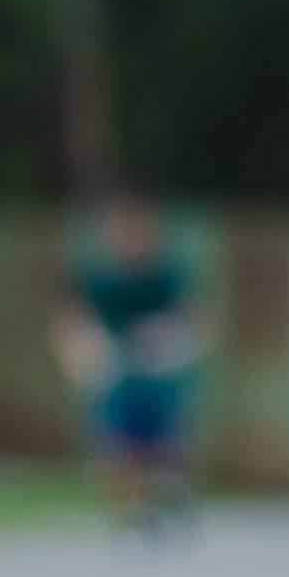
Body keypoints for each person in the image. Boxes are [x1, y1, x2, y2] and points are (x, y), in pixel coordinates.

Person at [52, 195, 203, 535]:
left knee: (165, 445)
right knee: (117, 445)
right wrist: (76, 354)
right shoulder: (98, 279)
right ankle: (133, 510)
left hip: (156, 375)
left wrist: (174, 343)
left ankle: (166, 491)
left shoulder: (166, 277)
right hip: (115, 375)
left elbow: (195, 319)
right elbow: (70, 322)